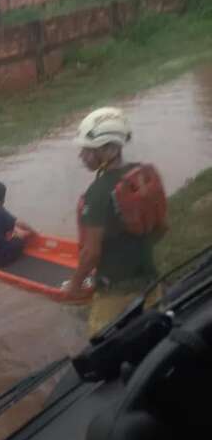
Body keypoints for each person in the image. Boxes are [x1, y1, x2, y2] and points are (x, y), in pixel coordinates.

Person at [63, 107, 166, 336]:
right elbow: (161, 228)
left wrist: (74, 285)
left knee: (101, 350)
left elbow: (91, 254)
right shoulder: (143, 175)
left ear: (108, 149)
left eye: (87, 151)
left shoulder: (97, 193)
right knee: (153, 336)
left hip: (114, 293)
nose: (82, 156)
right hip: (150, 281)